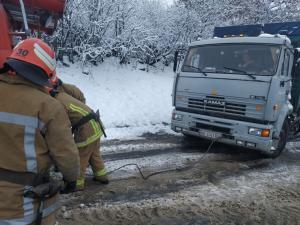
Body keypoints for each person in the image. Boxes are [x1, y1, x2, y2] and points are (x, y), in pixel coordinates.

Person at [0, 38, 80, 225]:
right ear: (44, 70)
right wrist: (71, 179)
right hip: (22, 205)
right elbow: (66, 155)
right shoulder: (48, 107)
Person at [50, 89, 108, 191]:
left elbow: (63, 125)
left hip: (86, 130)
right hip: (96, 124)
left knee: (81, 157)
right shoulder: (63, 95)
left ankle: (77, 183)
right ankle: (101, 176)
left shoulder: (56, 104)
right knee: (94, 154)